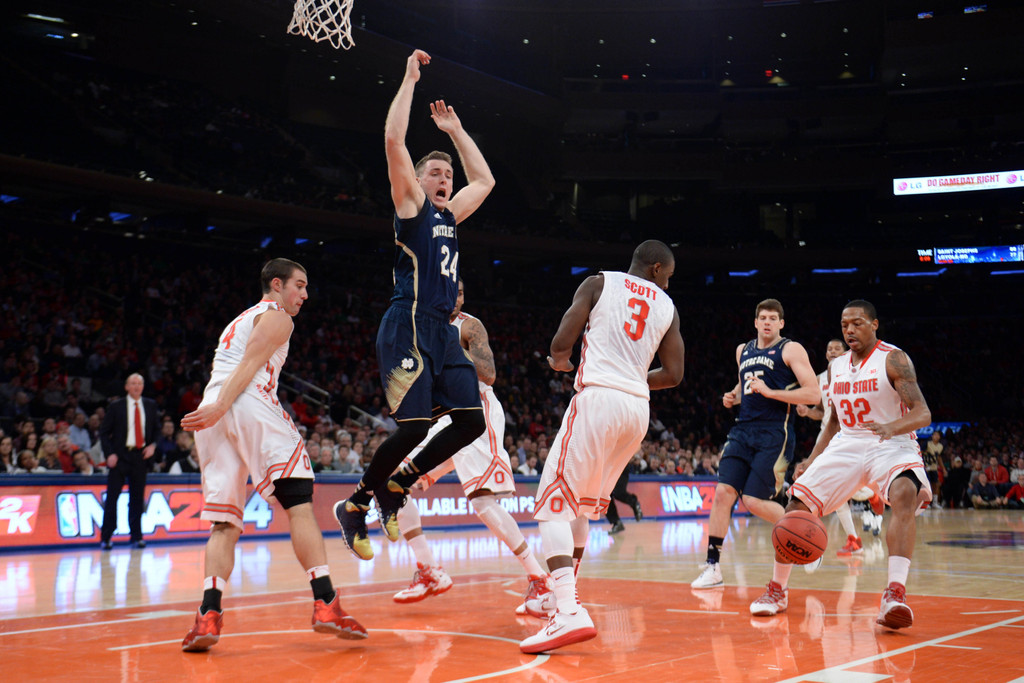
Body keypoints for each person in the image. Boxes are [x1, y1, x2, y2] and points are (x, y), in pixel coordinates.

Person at [333, 49, 495, 561]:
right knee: (416, 426)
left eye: (449, 173)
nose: (447, 178)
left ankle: (399, 481)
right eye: (438, 173)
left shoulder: (451, 216)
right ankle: (357, 502)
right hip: (406, 323)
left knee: (471, 421)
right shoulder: (412, 207)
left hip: (442, 330)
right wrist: (407, 79)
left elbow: (486, 181)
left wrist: (456, 132)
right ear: (419, 182)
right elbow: (392, 140)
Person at [179, 258, 365, 652]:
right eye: (300, 285)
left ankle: (208, 615)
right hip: (242, 401)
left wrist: (214, 409)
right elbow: (249, 365)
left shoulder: (237, 320)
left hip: (215, 412)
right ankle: (326, 602)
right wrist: (222, 406)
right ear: (276, 284)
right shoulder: (277, 316)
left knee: (224, 522)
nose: (305, 294)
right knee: (299, 503)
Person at [520, 240, 685, 654]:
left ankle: (568, 612)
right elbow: (675, 374)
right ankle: (565, 599)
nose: (668, 281)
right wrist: (632, 380)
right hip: (637, 412)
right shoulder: (667, 306)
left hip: (599, 400)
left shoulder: (599, 283)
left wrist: (559, 360)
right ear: (655, 268)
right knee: (581, 505)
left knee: (550, 505)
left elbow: (562, 341)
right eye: (668, 275)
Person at [751, 300, 933, 631]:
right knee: (796, 505)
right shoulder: (836, 368)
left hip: (892, 443)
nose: (849, 329)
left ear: (874, 324)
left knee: (905, 491)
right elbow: (834, 422)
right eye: (844, 324)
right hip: (848, 442)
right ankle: (777, 591)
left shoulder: (893, 359)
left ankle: (894, 594)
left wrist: (892, 427)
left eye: (857, 323)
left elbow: (923, 413)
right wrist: (811, 459)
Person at [391, 279, 554, 617]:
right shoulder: (420, 328)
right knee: (394, 479)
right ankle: (429, 569)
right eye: (450, 292)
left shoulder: (468, 325)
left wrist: (450, 345)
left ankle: (540, 579)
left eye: (461, 292)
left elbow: (490, 373)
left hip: (475, 410)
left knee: (482, 502)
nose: (457, 298)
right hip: (444, 415)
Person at [691, 299, 819, 590]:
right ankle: (712, 567)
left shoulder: (790, 349)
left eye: (773, 318)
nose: (767, 322)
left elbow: (812, 393)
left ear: (781, 324)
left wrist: (772, 393)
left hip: (775, 433)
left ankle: (806, 537)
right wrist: (733, 395)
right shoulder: (743, 350)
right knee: (723, 493)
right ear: (755, 321)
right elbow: (745, 384)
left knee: (753, 501)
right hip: (742, 431)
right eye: (763, 317)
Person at [796, 338, 875, 557]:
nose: (832, 351)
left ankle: (868, 495)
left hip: (850, 433)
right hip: (828, 435)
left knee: (837, 486)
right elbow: (824, 413)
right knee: (834, 488)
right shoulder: (820, 379)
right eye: (829, 348)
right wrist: (807, 412)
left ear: (846, 351)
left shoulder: (857, 372)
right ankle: (854, 536)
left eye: (837, 348)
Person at [99, 373, 160, 549]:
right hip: (119, 457)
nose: (136, 386)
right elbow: (104, 432)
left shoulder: (150, 405)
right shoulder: (116, 406)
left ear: (143, 387)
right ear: (126, 387)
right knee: (112, 498)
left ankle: (136, 536)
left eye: (139, 383)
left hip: (140, 457)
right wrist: (109, 453)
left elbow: (157, 430)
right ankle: (106, 537)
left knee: (137, 499)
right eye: (133, 383)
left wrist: (153, 446)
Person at [605, 465, 643, 535]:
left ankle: (634, 502)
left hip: (621, 465)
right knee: (605, 496)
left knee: (618, 492)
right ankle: (616, 522)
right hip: (607, 468)